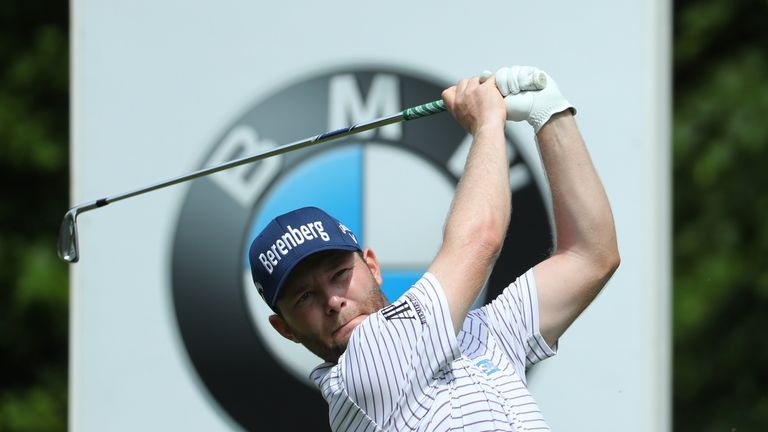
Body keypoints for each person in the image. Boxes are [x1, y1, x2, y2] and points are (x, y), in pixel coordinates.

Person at [248, 66, 620, 431]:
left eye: (340, 274)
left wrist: (550, 114)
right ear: (285, 329)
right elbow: (479, 240)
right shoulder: (361, 375)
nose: (332, 301)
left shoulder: (480, 335)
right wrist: (488, 124)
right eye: (304, 297)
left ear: (372, 267)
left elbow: (591, 257)